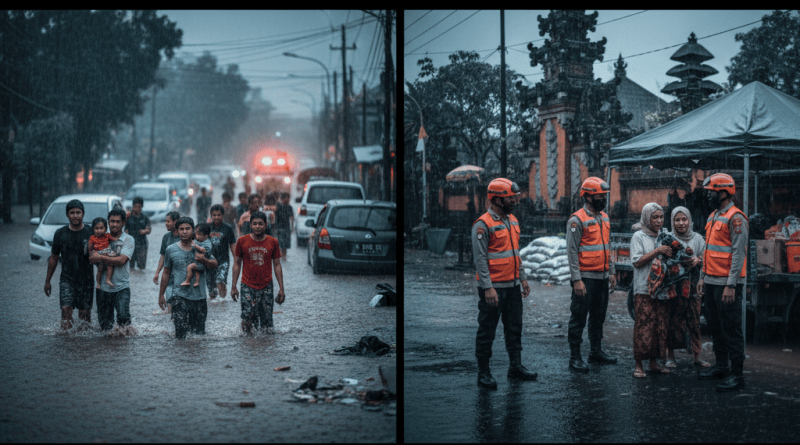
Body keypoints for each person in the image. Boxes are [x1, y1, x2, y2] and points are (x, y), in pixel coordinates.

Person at [472, 178, 536, 389]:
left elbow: (516, 254)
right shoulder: (483, 225)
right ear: (497, 199)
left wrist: (523, 278)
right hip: (493, 289)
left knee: (514, 327)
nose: (514, 201)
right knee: (487, 330)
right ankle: (484, 372)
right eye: (510, 198)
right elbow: (480, 259)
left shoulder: (513, 221)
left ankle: (515, 367)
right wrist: (488, 287)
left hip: (513, 286)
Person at [697, 173, 749, 392]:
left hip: (726, 285)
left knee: (731, 329)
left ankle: (737, 375)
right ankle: (721, 366)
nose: (709, 196)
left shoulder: (736, 218)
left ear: (724, 192)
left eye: (712, 193)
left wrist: (731, 284)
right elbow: (707, 251)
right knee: (715, 327)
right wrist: (702, 278)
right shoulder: (712, 216)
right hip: (711, 282)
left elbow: (739, 254)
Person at [566, 177, 618, 372]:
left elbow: (607, 246)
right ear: (587, 196)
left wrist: (611, 270)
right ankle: (575, 357)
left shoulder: (604, 217)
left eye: (604, 196)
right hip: (585, 279)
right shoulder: (576, 219)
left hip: (602, 278)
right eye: (598, 196)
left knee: (598, 316)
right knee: (579, 316)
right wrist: (576, 279)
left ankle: (595, 352)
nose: (602, 199)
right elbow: (571, 252)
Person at [664, 206, 709, 368]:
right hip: (674, 286)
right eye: (677, 220)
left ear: (690, 220)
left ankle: (697, 356)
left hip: (694, 286)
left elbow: (707, 258)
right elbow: (663, 261)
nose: (681, 223)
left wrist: (698, 260)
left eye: (684, 219)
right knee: (673, 320)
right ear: (672, 221)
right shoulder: (668, 238)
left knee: (694, 320)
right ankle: (671, 356)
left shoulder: (697, 239)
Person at [630, 203, 672, 378]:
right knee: (643, 325)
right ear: (647, 218)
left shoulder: (664, 236)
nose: (659, 221)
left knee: (659, 326)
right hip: (643, 288)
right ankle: (639, 364)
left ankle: (654, 362)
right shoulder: (638, 236)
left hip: (661, 288)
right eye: (655, 217)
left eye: (661, 217)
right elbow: (637, 261)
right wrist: (657, 251)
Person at [158, 217, 218, 339]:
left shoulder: (201, 247)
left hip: (199, 297)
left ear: (193, 231)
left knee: (199, 337)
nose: (184, 232)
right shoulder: (171, 249)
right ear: (177, 231)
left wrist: (204, 260)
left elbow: (215, 264)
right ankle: (181, 358)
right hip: (179, 297)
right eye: (181, 229)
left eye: (187, 229)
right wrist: (161, 294)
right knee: (180, 335)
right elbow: (166, 273)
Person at [231, 211, 285, 335]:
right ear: (250, 225)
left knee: (267, 324)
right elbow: (237, 264)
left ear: (266, 225)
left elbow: (277, 265)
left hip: (266, 285)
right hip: (247, 285)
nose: (257, 227)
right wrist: (233, 286)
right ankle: (250, 350)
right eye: (254, 224)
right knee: (247, 319)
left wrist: (281, 288)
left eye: (260, 224)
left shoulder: (273, 242)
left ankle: (264, 350)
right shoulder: (242, 241)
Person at [44, 199, 94, 330]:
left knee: (85, 320)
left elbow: (101, 255)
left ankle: (82, 348)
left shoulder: (91, 232)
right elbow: (54, 258)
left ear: (83, 214)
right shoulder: (60, 234)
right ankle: (67, 344)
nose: (75, 215)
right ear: (67, 215)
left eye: (78, 212)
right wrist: (47, 281)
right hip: (67, 279)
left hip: (86, 280)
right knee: (66, 312)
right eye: (72, 212)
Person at [89, 208, 136, 335]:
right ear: (108, 222)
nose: (114, 224)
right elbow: (90, 257)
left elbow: (122, 260)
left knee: (124, 320)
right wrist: (93, 256)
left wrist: (100, 257)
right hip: (102, 289)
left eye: (118, 221)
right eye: (112, 221)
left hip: (122, 287)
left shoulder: (128, 239)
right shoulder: (100, 236)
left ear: (123, 223)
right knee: (105, 326)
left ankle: (122, 353)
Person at [153, 211, 181, 314]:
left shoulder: (184, 237)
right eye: (166, 221)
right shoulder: (166, 237)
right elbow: (163, 257)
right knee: (170, 308)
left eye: (168, 221)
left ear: (175, 222)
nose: (166, 223)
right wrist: (157, 273)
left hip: (181, 280)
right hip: (169, 280)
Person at [208, 204, 237, 301]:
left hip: (223, 261)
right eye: (214, 215)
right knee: (211, 290)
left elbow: (232, 244)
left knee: (221, 281)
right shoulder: (206, 228)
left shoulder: (228, 228)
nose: (216, 217)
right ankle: (215, 306)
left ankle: (223, 303)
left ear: (223, 215)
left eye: (219, 215)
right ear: (211, 216)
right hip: (209, 262)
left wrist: (236, 259)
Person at [180, 222, 212, 287]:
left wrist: (195, 245)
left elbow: (203, 250)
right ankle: (197, 282)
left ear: (206, 235)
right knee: (197, 271)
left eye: (199, 234)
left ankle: (188, 280)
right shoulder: (200, 240)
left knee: (190, 267)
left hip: (203, 263)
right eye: (196, 234)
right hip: (199, 263)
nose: (196, 236)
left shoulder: (207, 243)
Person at [124, 196, 151, 271]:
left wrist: (144, 231)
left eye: (139, 207)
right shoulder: (128, 217)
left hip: (142, 245)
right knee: (130, 268)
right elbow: (125, 230)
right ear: (132, 206)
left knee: (141, 268)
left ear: (142, 207)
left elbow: (148, 229)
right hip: (130, 245)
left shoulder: (145, 218)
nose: (137, 208)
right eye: (135, 206)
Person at [89, 217, 116, 288]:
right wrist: (91, 253)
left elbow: (115, 239)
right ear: (93, 229)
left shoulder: (107, 236)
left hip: (107, 252)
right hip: (98, 253)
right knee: (100, 268)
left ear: (105, 229)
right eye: (96, 228)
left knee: (110, 264)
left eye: (101, 228)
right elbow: (90, 247)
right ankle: (98, 283)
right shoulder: (92, 238)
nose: (99, 230)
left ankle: (108, 279)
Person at [274, 192, 294, 260]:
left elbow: (292, 217)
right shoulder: (278, 207)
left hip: (287, 227)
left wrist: (292, 226)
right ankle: (283, 255)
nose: (287, 200)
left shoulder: (289, 207)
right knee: (281, 241)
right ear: (282, 199)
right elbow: (275, 216)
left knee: (286, 242)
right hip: (280, 227)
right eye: (286, 199)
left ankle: (284, 254)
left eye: (288, 199)